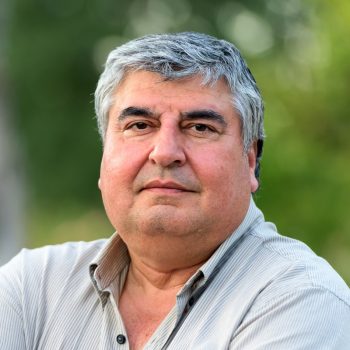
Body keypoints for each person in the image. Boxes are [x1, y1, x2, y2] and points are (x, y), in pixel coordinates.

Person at [0, 32, 349, 350]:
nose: (165, 152)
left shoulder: (303, 303)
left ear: (249, 158)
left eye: (199, 127)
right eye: (139, 125)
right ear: (105, 155)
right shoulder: (32, 287)